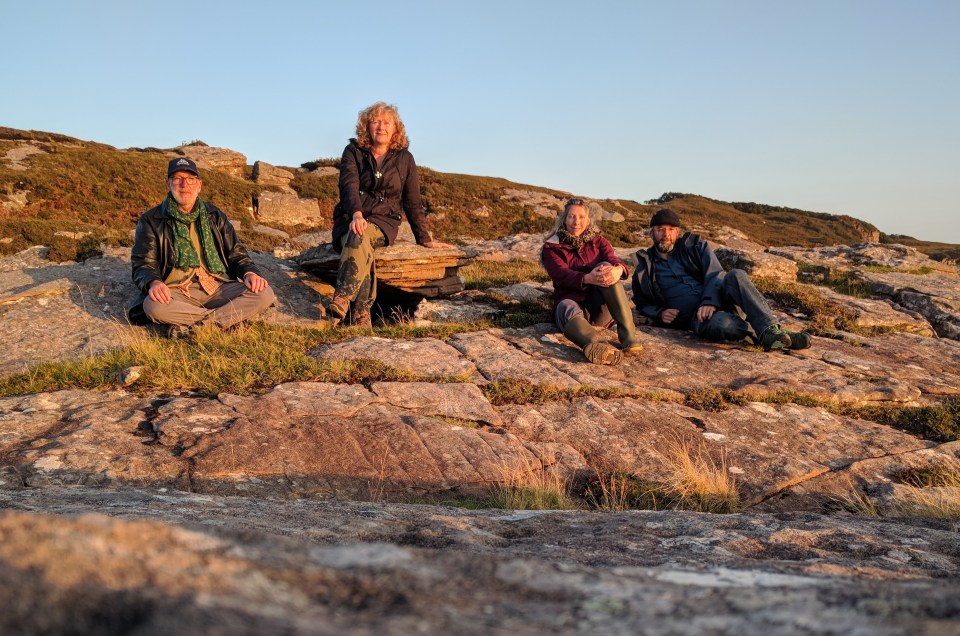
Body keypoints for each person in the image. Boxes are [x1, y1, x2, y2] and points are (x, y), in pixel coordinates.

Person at [329, 101, 452, 328]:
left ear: (396, 129)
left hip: (384, 220)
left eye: (387, 122)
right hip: (350, 217)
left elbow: (413, 201)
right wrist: (356, 214)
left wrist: (424, 239)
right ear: (366, 126)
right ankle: (361, 314)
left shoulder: (405, 159)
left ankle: (343, 296)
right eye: (375, 121)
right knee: (359, 241)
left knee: (361, 237)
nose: (381, 127)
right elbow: (348, 186)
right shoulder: (353, 151)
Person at [130, 157, 275, 337]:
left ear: (199, 185)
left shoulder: (215, 215)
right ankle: (226, 321)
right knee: (152, 306)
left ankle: (199, 328)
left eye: (191, 179)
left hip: (218, 287)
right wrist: (154, 282)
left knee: (265, 294)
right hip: (177, 291)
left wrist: (250, 273)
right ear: (168, 184)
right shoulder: (151, 219)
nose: (185, 184)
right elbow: (143, 263)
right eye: (177, 178)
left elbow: (236, 253)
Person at [631, 209, 811, 351]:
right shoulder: (643, 267)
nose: (666, 234)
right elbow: (640, 302)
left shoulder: (694, 245)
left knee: (736, 275)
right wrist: (659, 313)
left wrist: (709, 301)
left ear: (677, 232)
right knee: (724, 324)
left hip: (720, 298)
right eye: (660, 229)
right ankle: (772, 337)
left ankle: (771, 330)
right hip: (696, 319)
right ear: (651, 233)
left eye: (671, 229)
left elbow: (715, 273)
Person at [541, 198, 643, 365]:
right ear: (564, 219)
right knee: (566, 305)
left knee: (606, 267)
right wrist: (587, 278)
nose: (576, 222)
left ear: (588, 220)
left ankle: (629, 339)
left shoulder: (598, 241)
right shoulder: (551, 247)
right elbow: (560, 274)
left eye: (581, 217)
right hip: (571, 305)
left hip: (599, 310)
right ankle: (597, 345)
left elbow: (614, 260)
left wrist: (618, 270)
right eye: (571, 217)